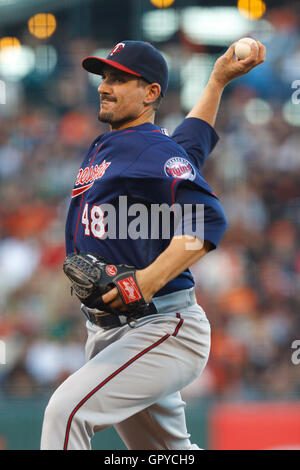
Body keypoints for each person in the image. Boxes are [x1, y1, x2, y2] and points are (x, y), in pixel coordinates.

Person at [41, 40, 265, 450]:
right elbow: (191, 142)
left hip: (162, 326)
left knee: (66, 412)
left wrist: (143, 282)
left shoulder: (148, 147)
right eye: (104, 77)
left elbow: (208, 218)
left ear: (151, 93)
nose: (105, 86)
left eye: (120, 79)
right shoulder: (131, 145)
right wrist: (216, 81)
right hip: (114, 331)